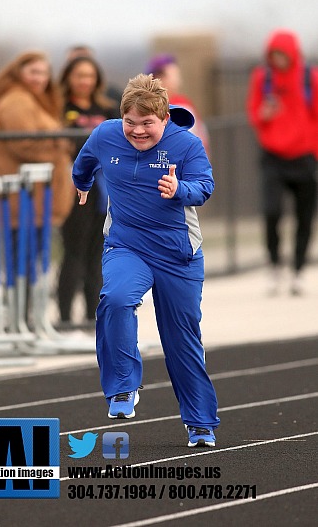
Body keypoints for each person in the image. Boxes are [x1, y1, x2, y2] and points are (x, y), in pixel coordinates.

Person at [72, 73, 219, 448]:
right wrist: (83, 184)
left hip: (177, 254)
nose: (137, 131)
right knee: (116, 298)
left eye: (147, 123)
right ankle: (123, 389)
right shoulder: (106, 134)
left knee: (181, 339)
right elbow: (85, 161)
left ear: (165, 118)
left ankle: (200, 423)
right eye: (130, 122)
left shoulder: (186, 146)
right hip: (127, 245)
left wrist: (179, 189)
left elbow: (204, 186)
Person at [247, 30, 318, 295]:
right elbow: (254, 113)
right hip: (273, 157)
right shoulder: (262, 78)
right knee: (271, 211)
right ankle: (274, 265)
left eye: (282, 54)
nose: (278, 60)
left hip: (305, 158)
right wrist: (264, 114)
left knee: (304, 216)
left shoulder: (310, 78)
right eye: (274, 54)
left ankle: (298, 270)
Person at [0, 51, 74, 232]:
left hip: (32, 202)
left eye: (44, 73)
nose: (39, 79)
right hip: (22, 200)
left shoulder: (30, 100)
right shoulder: (17, 101)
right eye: (33, 72)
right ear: (18, 73)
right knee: (23, 258)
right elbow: (24, 144)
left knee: (31, 258)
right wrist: (60, 147)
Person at [57, 55, 119, 327]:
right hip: (73, 185)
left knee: (98, 251)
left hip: (103, 188)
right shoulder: (59, 108)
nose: (84, 81)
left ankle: (93, 316)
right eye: (79, 75)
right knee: (74, 251)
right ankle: (65, 317)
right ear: (68, 77)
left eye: (89, 75)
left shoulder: (107, 109)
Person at [145, 54, 210, 155]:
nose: (179, 81)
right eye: (174, 76)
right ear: (160, 78)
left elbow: (196, 135)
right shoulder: (148, 107)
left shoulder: (182, 103)